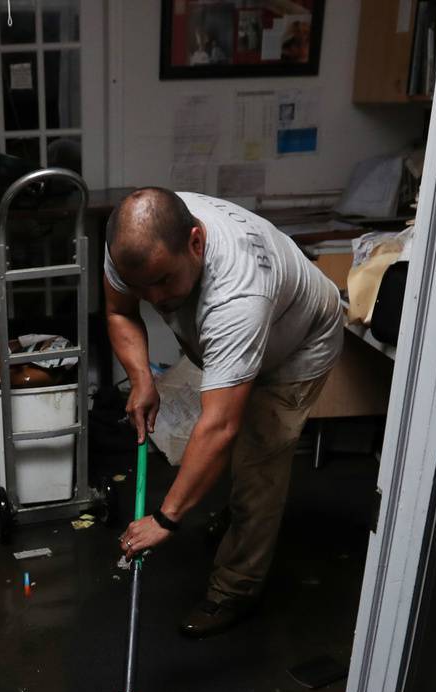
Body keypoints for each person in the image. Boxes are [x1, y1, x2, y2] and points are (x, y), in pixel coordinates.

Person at [103, 187, 342, 638]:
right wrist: (140, 378)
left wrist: (165, 519)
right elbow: (120, 311)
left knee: (258, 466)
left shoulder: (237, 297)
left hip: (296, 348)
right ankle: (229, 520)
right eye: (143, 286)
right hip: (235, 336)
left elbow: (220, 427)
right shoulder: (130, 243)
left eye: (165, 281)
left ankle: (234, 589)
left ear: (196, 242)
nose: (155, 298)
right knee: (225, 438)